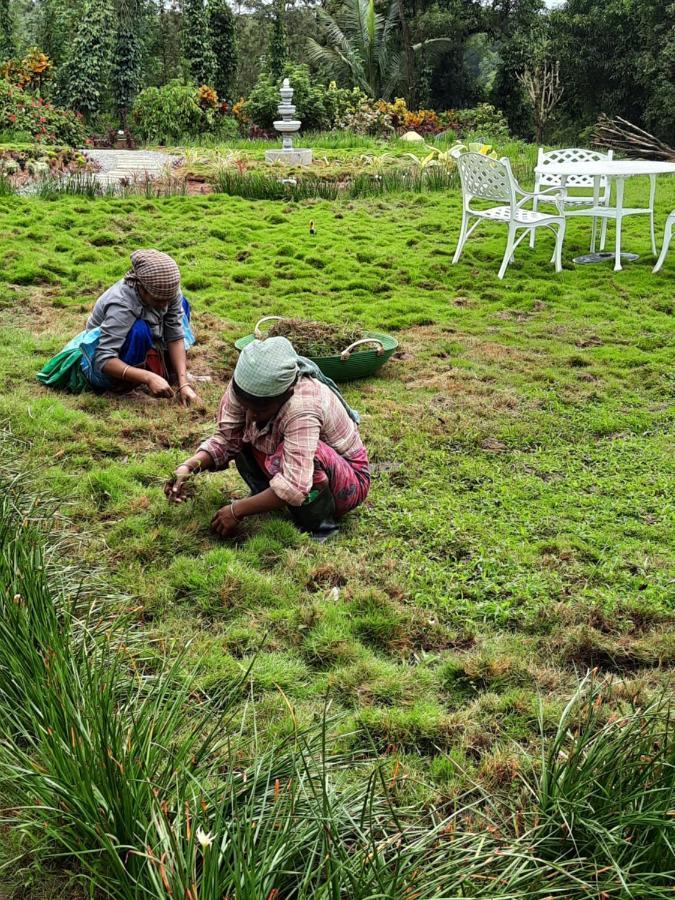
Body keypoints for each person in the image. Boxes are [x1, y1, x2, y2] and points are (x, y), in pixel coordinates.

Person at [166, 336, 370, 539]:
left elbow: (295, 484)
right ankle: (264, 495)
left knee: (301, 454)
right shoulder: (245, 385)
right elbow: (227, 439)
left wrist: (237, 510)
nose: (250, 415)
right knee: (244, 434)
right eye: (245, 407)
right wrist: (190, 466)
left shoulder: (303, 407)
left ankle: (322, 526)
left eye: (260, 410)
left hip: (347, 480)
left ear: (288, 393)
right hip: (297, 463)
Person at [37, 249, 200, 405]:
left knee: (182, 304)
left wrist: (183, 383)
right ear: (142, 288)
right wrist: (148, 378)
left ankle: (172, 375)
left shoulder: (167, 291)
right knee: (139, 330)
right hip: (102, 362)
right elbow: (104, 359)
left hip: (145, 340)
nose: (164, 305)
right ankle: (124, 386)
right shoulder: (121, 305)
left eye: (168, 299)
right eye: (158, 300)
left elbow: (175, 333)